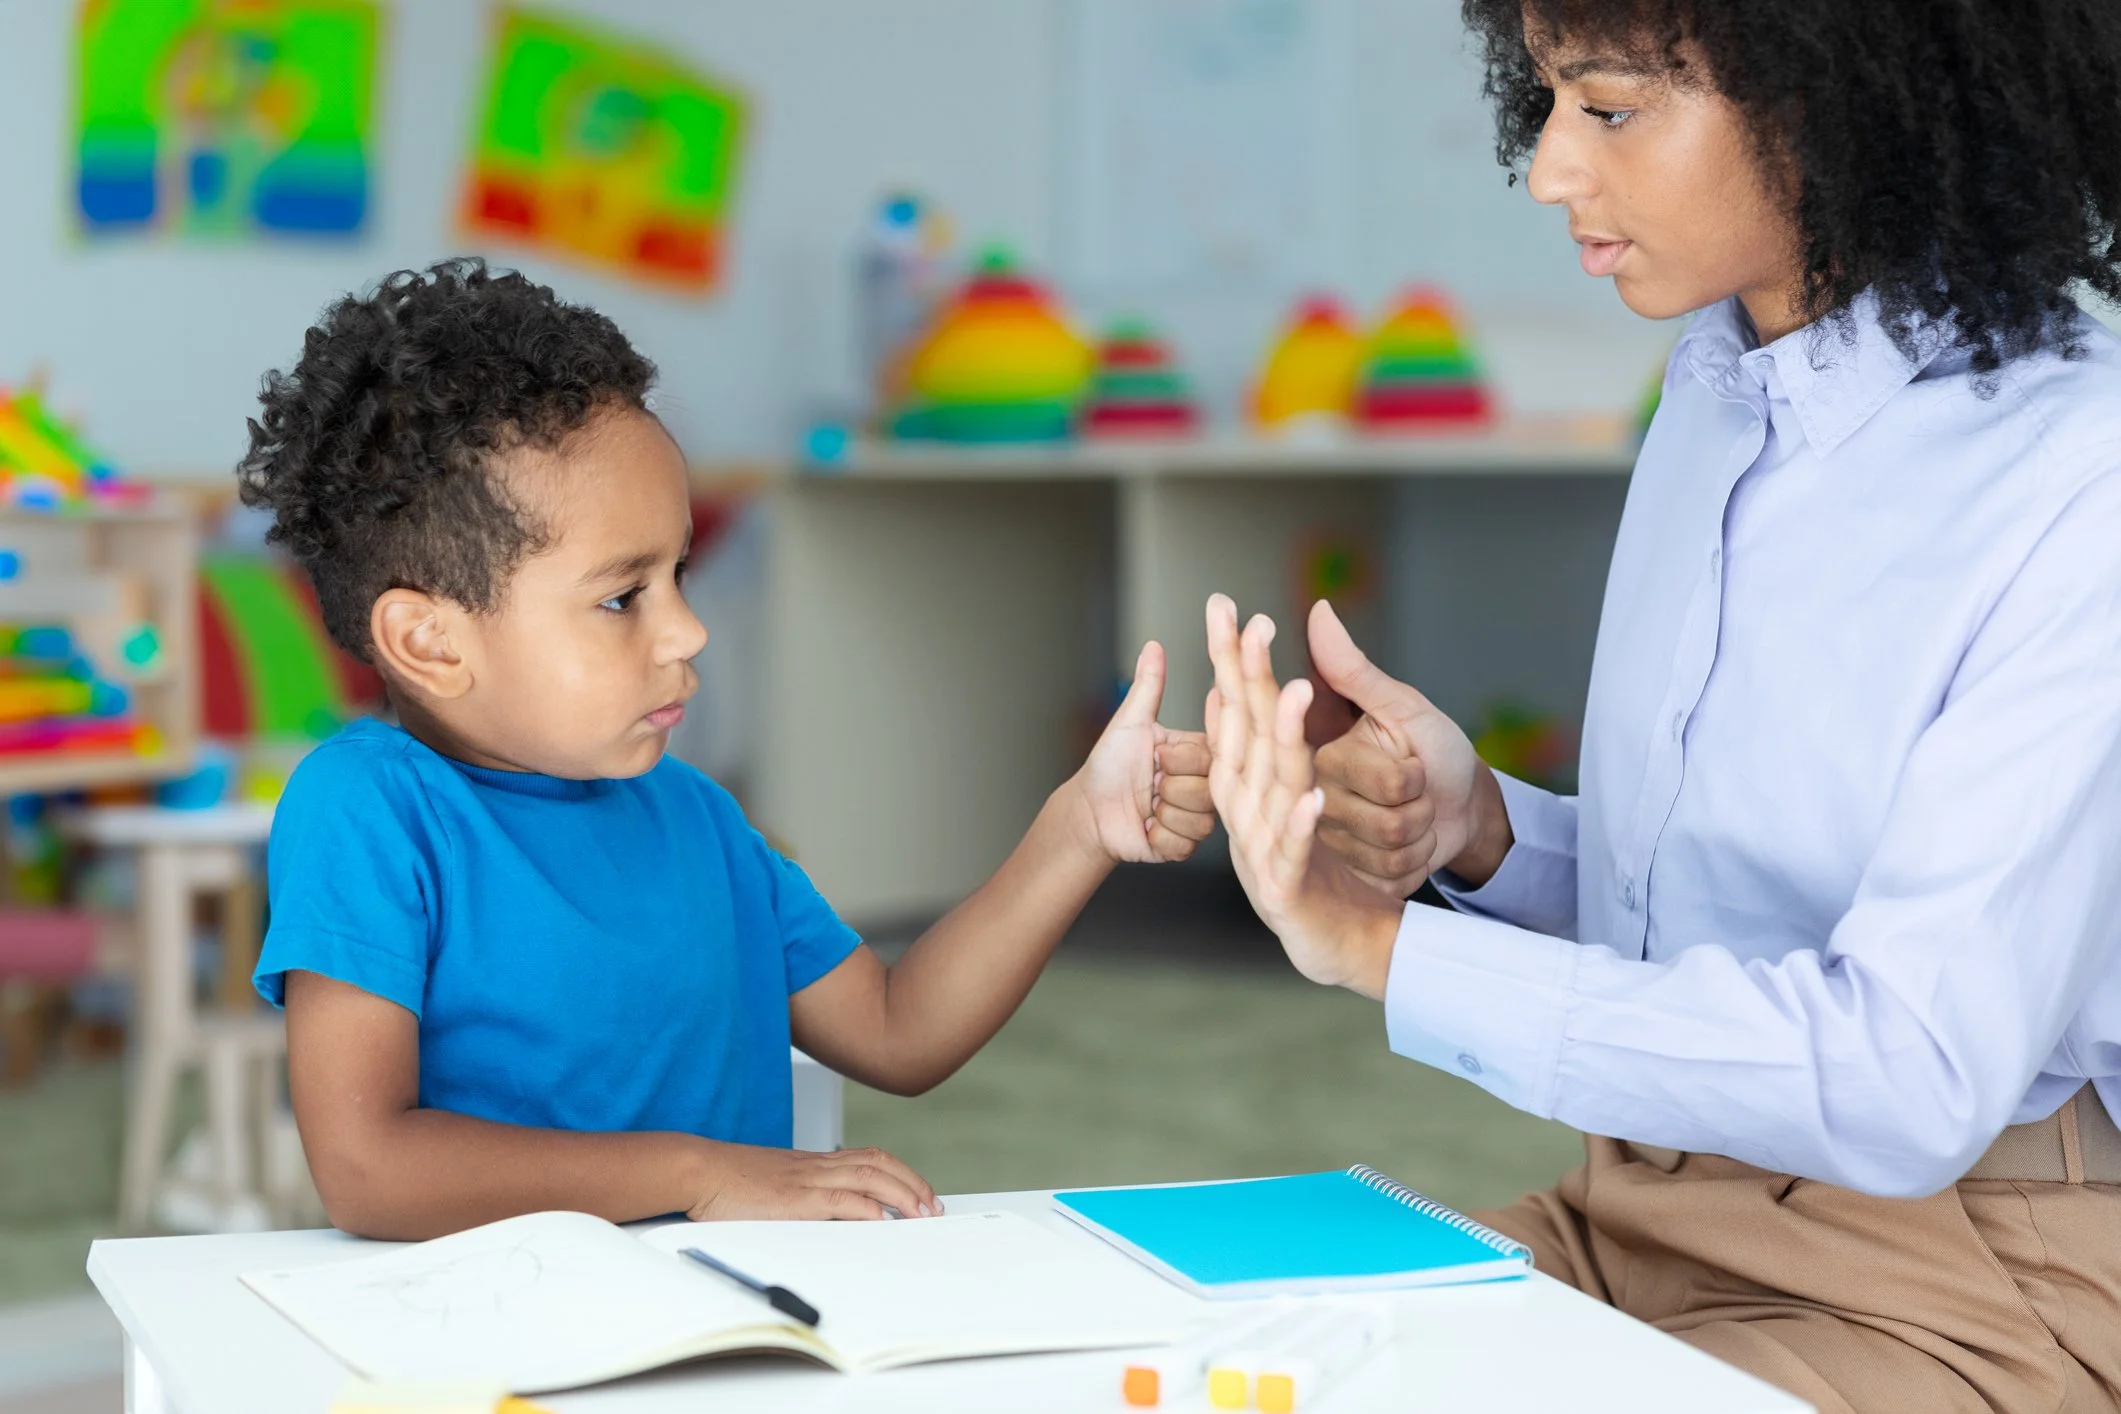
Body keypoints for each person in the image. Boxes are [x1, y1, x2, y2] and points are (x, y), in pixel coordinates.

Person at [1202, 0, 2121, 1408]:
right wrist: (1485, 831)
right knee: (1220, 1356)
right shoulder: (1711, 385)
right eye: (1550, 99)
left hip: (1966, 1275)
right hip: (1640, 1199)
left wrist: (1380, 950)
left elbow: (1907, 1070)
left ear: (1829, 104)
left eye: (1612, 109)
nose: (1552, 169)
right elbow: (1730, 908)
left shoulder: (2082, 478)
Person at [239, 259, 1216, 1242]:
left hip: (732, 1323)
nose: (687, 631)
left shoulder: (698, 816)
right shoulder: (365, 808)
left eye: (679, 576)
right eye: (624, 597)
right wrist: (696, 1173)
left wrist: (1078, 827)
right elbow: (368, 1167)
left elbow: (897, 1028)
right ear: (431, 642)